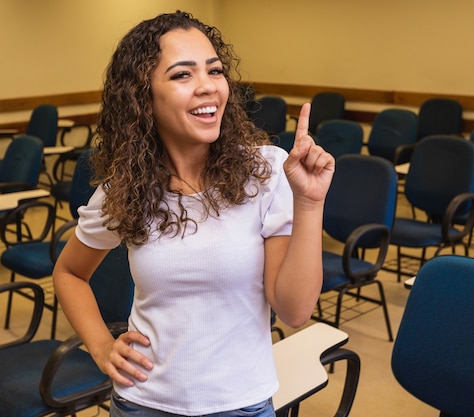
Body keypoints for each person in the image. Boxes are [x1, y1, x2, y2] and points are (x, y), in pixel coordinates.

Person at [53, 10, 335, 417]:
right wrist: (100, 345)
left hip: (241, 404)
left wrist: (309, 204)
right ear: (143, 98)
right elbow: (69, 273)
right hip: (141, 403)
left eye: (215, 71)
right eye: (182, 75)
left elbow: (293, 311)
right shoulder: (125, 189)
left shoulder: (267, 171)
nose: (207, 87)